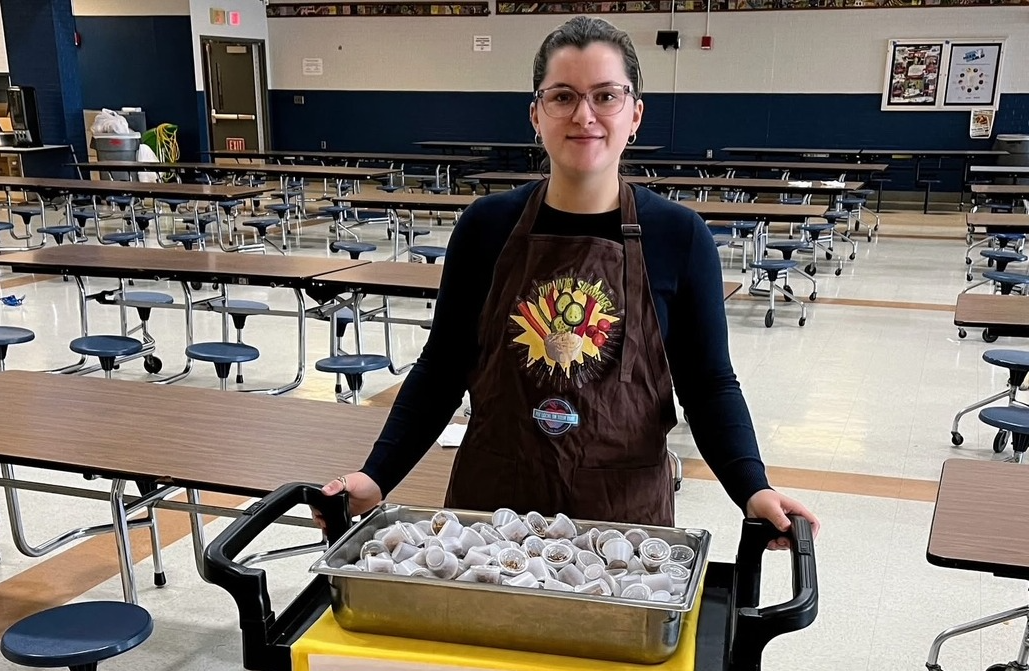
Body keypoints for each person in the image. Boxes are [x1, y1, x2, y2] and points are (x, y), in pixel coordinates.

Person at [322, 15, 819, 549]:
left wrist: (753, 487)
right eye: (563, 97)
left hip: (624, 525)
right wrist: (375, 477)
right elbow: (443, 368)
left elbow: (708, 384)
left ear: (635, 115)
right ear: (536, 115)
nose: (585, 115)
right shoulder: (486, 228)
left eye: (606, 95)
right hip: (492, 516)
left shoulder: (680, 237)